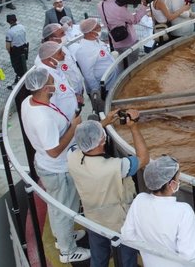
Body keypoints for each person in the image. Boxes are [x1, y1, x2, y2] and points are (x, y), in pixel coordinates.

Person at [20, 67, 90, 264]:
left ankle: (63, 237)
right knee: (63, 208)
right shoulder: (43, 119)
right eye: (52, 82)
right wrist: (74, 127)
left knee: (57, 206)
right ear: (45, 89)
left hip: (48, 165)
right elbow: (54, 150)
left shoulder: (29, 102)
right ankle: (67, 251)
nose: (55, 85)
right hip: (57, 168)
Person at [68, 114, 149, 267]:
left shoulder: (73, 157)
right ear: (102, 141)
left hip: (93, 218)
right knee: (127, 258)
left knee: (98, 257)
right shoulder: (114, 168)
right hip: (119, 223)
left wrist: (104, 122)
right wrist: (134, 127)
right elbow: (143, 158)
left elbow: (88, 138)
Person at [122, 156, 195, 266]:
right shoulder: (184, 211)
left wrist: (151, 245)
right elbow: (188, 254)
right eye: (178, 179)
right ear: (172, 184)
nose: (178, 182)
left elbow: (127, 235)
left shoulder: (139, 200)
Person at [98, 0, 147, 67]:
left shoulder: (100, 5)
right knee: (133, 66)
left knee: (123, 65)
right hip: (129, 42)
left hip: (115, 41)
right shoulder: (119, 7)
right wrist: (143, 6)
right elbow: (134, 20)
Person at [73, 18, 118, 102]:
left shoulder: (97, 41)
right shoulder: (83, 51)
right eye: (98, 28)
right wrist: (98, 92)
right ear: (90, 32)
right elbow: (88, 75)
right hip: (104, 88)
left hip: (111, 81)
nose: (100, 29)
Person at [35, 41, 81, 119]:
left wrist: (75, 96)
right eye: (60, 53)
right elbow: (51, 107)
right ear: (49, 60)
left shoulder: (55, 68)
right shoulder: (46, 80)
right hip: (67, 123)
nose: (64, 54)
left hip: (73, 116)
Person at [5, 14, 28, 89]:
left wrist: (10, 53)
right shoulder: (22, 26)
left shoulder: (10, 32)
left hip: (16, 51)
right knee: (23, 65)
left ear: (8, 22)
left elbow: (8, 46)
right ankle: (22, 79)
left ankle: (19, 84)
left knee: (17, 67)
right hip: (24, 48)